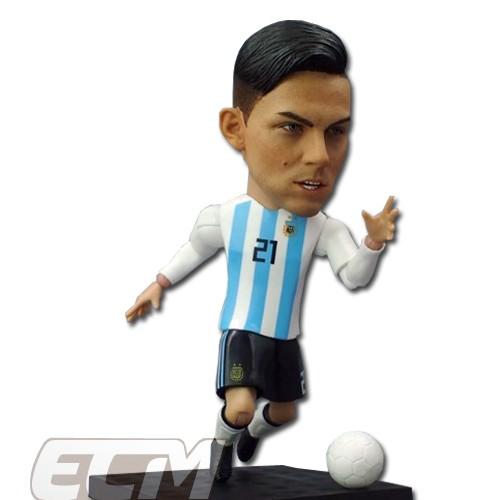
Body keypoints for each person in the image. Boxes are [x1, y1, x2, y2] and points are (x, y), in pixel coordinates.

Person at [125, 20, 399, 482]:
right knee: (239, 405)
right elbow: (194, 250)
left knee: (284, 412)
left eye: (336, 131)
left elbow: (354, 277)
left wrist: (372, 243)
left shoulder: (323, 228)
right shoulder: (226, 217)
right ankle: (222, 444)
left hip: (285, 338)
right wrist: (159, 283)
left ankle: (252, 430)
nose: (320, 156)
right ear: (237, 129)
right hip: (243, 333)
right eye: (292, 127)